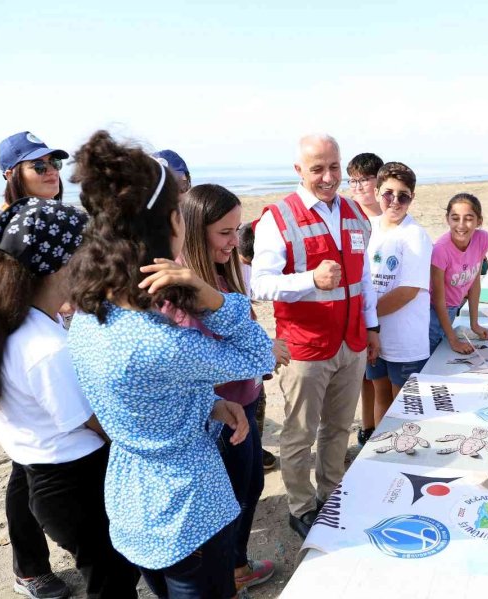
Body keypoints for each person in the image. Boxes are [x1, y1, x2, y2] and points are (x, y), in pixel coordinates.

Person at [66, 130, 275, 598]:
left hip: (132, 496)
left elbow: (148, 392)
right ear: (165, 226)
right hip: (187, 509)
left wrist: (207, 403)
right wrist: (212, 296)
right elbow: (257, 356)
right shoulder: (155, 340)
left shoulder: (92, 312)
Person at [0, 197, 140, 599]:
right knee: (112, 580)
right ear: (64, 263)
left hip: (48, 477)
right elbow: (98, 422)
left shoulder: (16, 320)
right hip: (75, 483)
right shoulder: (45, 348)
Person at [252, 134, 379, 539]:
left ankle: (330, 493)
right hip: (306, 348)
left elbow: (365, 281)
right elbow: (261, 285)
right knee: (299, 433)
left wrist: (371, 326)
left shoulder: (356, 215)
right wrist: (311, 280)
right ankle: (300, 506)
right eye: (317, 169)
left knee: (338, 428)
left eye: (334, 167)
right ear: (298, 171)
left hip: (352, 342)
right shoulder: (278, 217)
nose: (328, 177)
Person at [172, 184, 284, 590]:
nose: (235, 241)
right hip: (219, 415)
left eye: (237, 230)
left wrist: (258, 362)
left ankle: (236, 566)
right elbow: (195, 370)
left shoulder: (224, 271)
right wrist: (261, 353)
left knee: (251, 485)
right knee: (228, 503)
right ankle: (225, 575)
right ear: (195, 230)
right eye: (225, 232)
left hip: (246, 402)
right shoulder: (186, 290)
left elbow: (244, 328)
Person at [0, 131, 73, 599]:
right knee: (28, 463)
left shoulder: (61, 221)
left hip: (57, 344)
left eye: (53, 163)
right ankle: (28, 568)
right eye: (37, 165)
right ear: (12, 175)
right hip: (22, 358)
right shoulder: (2, 228)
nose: (50, 172)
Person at [365, 162, 433, 422]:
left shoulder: (415, 235)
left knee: (404, 402)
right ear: (377, 191)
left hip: (405, 340)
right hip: (374, 337)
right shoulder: (369, 228)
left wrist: (366, 317)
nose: (394, 201)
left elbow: (408, 290)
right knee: (380, 393)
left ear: (412, 198)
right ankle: (380, 448)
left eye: (403, 195)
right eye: (388, 193)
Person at [346, 152, 383, 445]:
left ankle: (376, 426)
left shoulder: (389, 216)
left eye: (364, 180)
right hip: (357, 308)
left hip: (386, 307)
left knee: (379, 375)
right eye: (353, 180)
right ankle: (366, 425)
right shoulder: (347, 215)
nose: (357, 187)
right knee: (363, 375)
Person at [236, 222, 279, 470]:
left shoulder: (253, 261)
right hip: (239, 350)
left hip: (251, 343)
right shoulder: (230, 263)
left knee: (257, 399)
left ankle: (255, 446)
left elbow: (248, 308)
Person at [429, 193, 488, 354]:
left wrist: (475, 324)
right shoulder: (441, 250)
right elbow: (438, 299)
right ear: (447, 219)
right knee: (431, 358)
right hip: (433, 312)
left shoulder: (482, 239)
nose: (461, 225)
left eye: (469, 218)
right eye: (455, 218)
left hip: (452, 308)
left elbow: (474, 282)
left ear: (479, 221)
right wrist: (453, 340)